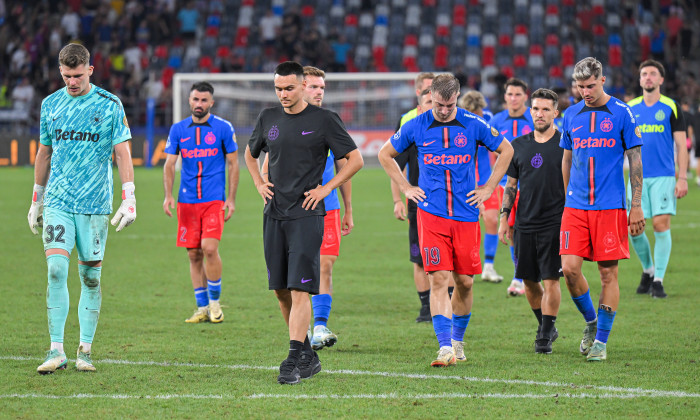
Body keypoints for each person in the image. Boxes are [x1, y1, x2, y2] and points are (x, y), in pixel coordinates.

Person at [378, 74, 513, 367]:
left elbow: (507, 150)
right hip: (431, 215)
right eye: (438, 104)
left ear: (457, 97)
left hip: (465, 215)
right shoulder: (415, 124)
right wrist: (405, 187)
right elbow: (385, 154)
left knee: (464, 281)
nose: (442, 110)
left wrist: (489, 187)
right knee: (439, 278)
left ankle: (457, 341)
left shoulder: (473, 123)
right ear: (431, 97)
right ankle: (443, 347)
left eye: (448, 105)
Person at [244, 61, 363, 384]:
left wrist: (327, 188)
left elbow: (355, 160)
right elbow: (249, 152)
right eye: (278, 89)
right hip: (274, 214)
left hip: (308, 215)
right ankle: (308, 355)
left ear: (302, 86)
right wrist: (258, 182)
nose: (283, 94)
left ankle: (293, 359)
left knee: (299, 289)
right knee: (280, 290)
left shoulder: (324, 120)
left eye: (289, 88)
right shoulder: (268, 118)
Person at [28, 43, 136, 374]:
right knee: (56, 270)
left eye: (77, 76)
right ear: (60, 72)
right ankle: (55, 349)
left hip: (94, 205)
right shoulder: (51, 105)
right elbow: (44, 152)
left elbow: (122, 152)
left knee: (90, 277)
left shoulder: (109, 104)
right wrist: (36, 199)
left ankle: (84, 350)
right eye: (65, 76)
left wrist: (129, 195)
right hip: (59, 201)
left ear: (90, 69)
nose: (71, 82)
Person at [262, 66, 353, 349]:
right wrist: (267, 191)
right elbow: (266, 165)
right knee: (289, 283)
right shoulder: (284, 122)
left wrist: (348, 207)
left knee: (325, 264)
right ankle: (300, 337)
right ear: (302, 86)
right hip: (290, 211)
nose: (318, 92)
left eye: (322, 88)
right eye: (313, 86)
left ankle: (320, 327)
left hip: (328, 206)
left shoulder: (327, 122)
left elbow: (345, 164)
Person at [560, 57, 644, 362]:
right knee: (569, 269)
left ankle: (601, 343)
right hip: (576, 207)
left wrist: (635, 206)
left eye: (590, 85)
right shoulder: (570, 115)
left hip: (609, 207)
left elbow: (635, 161)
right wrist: (568, 196)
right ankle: (591, 322)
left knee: (608, 275)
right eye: (580, 86)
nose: (585, 91)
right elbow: (567, 159)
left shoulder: (622, 113)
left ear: (602, 80)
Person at [163, 81, 239, 323]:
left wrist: (231, 199)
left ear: (211, 103)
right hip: (187, 202)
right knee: (194, 254)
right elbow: (169, 164)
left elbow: (234, 164)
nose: (199, 104)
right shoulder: (178, 129)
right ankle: (202, 307)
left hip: (213, 200)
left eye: (204, 100)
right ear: (189, 101)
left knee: (209, 248)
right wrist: (168, 195)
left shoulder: (223, 128)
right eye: (195, 99)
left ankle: (216, 304)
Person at [498, 89, 565, 354]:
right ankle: (546, 324)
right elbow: (511, 186)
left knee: (551, 279)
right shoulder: (518, 145)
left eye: (545, 109)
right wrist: (505, 218)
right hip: (524, 222)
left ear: (555, 113)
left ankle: (545, 335)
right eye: (536, 109)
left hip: (555, 222)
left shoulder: (565, 143)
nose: (539, 114)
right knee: (528, 280)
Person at [626, 60, 688, 298]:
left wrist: (682, 178)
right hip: (636, 177)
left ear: (661, 80)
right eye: (644, 74)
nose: (648, 77)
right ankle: (648, 270)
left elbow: (681, 145)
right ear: (640, 80)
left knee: (661, 224)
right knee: (635, 228)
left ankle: (659, 280)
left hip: (663, 176)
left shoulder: (671, 106)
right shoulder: (629, 108)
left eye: (653, 73)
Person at [390, 72, 435, 323]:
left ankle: (446, 301)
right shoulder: (410, 129)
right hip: (418, 205)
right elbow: (394, 163)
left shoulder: (457, 131)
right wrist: (399, 198)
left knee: (446, 261)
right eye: (429, 101)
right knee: (419, 258)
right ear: (420, 103)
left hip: (448, 204)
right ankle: (426, 307)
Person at [488, 78, 534, 296]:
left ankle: (528, 275)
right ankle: (519, 275)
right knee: (512, 231)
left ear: (525, 96)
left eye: (518, 94)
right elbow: (493, 153)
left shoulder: (535, 117)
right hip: (508, 185)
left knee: (530, 231)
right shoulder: (497, 120)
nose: (514, 98)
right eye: (510, 94)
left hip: (533, 184)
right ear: (505, 96)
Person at [459, 91, 503, 284]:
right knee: (468, 225)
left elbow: (496, 147)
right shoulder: (459, 122)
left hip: (486, 181)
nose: (475, 117)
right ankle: (467, 264)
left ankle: (489, 267)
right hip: (466, 182)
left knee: (492, 219)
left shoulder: (489, 119)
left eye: (477, 112)